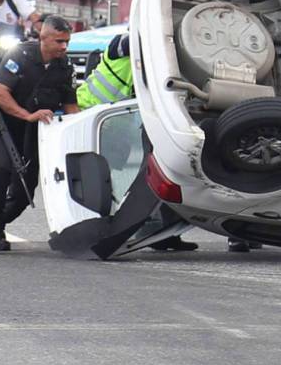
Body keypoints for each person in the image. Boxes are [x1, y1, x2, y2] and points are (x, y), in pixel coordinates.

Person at [76, 33, 203, 253]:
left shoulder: (151, 61)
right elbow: (144, 40)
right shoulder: (121, 43)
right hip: (93, 115)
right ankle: (95, 229)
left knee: (156, 174)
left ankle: (161, 233)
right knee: (100, 178)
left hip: (117, 120)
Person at [0, 15, 79, 255]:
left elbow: (71, 107)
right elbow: (1, 94)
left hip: (35, 131)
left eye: (67, 41)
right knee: (1, 167)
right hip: (4, 124)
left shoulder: (65, 67)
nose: (64, 47)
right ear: (44, 38)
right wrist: (27, 115)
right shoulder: (20, 55)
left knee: (25, 189)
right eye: (59, 41)